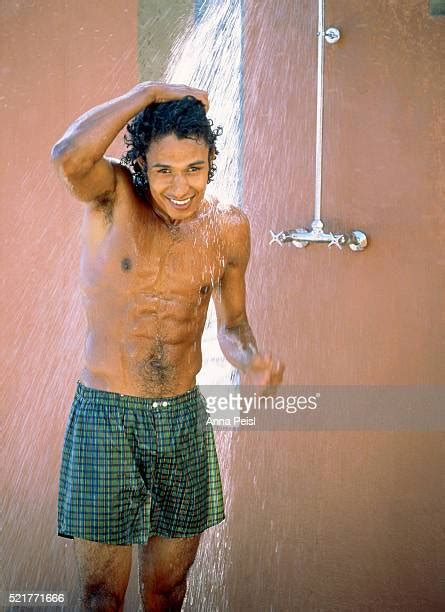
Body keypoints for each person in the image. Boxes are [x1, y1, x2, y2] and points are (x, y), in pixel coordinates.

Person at [51, 81, 284, 611]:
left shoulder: (227, 227)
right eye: (164, 171)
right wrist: (147, 92)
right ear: (140, 165)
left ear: (210, 163)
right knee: (101, 596)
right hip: (106, 416)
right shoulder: (111, 197)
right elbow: (67, 155)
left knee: (169, 591)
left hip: (182, 419)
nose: (181, 186)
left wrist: (250, 359)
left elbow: (235, 323)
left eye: (194, 169)